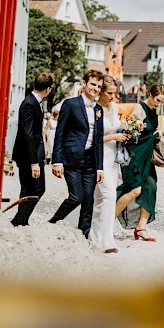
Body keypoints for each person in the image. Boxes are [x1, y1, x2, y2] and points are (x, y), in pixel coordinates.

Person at [49, 69, 105, 238]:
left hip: (90, 162)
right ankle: (52, 223)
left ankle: (83, 236)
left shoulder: (99, 109)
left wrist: (100, 167)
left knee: (88, 201)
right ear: (84, 83)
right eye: (93, 84)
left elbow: (99, 139)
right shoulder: (71, 104)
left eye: (99, 86)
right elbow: (60, 133)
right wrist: (57, 161)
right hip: (72, 159)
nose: (95, 88)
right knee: (76, 197)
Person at [115, 82, 164, 242]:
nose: (159, 104)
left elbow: (151, 129)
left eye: (162, 101)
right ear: (151, 95)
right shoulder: (139, 109)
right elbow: (129, 134)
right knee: (134, 190)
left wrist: (157, 133)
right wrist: (148, 134)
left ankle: (141, 228)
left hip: (147, 157)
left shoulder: (154, 109)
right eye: (158, 100)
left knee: (151, 187)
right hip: (135, 157)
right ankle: (106, 221)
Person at [91, 76, 129, 253]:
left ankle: (96, 237)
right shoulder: (94, 108)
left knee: (100, 198)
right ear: (101, 91)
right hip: (100, 156)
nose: (113, 97)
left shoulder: (113, 107)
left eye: (115, 93)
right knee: (108, 196)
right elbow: (92, 138)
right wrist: (114, 136)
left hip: (113, 157)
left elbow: (116, 127)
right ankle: (105, 241)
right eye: (110, 93)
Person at [10, 73, 54, 227]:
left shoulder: (34, 102)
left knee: (34, 189)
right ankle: (19, 221)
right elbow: (28, 135)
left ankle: (21, 220)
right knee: (33, 189)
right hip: (27, 157)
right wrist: (34, 162)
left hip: (32, 155)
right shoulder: (29, 103)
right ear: (48, 89)